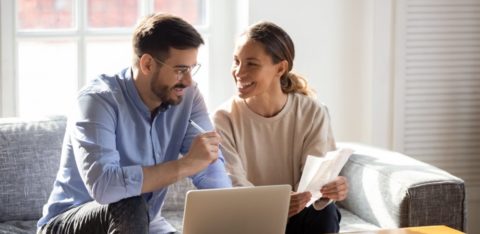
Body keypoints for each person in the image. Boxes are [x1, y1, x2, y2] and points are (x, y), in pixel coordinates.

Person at [37, 13, 231, 234]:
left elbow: (209, 165)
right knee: (129, 202)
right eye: (180, 70)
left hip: (145, 224)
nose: (188, 81)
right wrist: (184, 165)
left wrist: (231, 217)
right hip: (69, 222)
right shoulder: (98, 101)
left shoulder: (188, 96)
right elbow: (105, 187)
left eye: (191, 68)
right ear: (147, 64)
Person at [213, 21, 348, 234]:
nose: (238, 72)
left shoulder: (312, 111)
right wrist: (276, 206)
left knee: (324, 212)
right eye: (236, 61)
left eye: (251, 64)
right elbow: (234, 186)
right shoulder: (224, 118)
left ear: (280, 68)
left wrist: (329, 188)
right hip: (250, 218)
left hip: (300, 214)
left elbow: (315, 181)